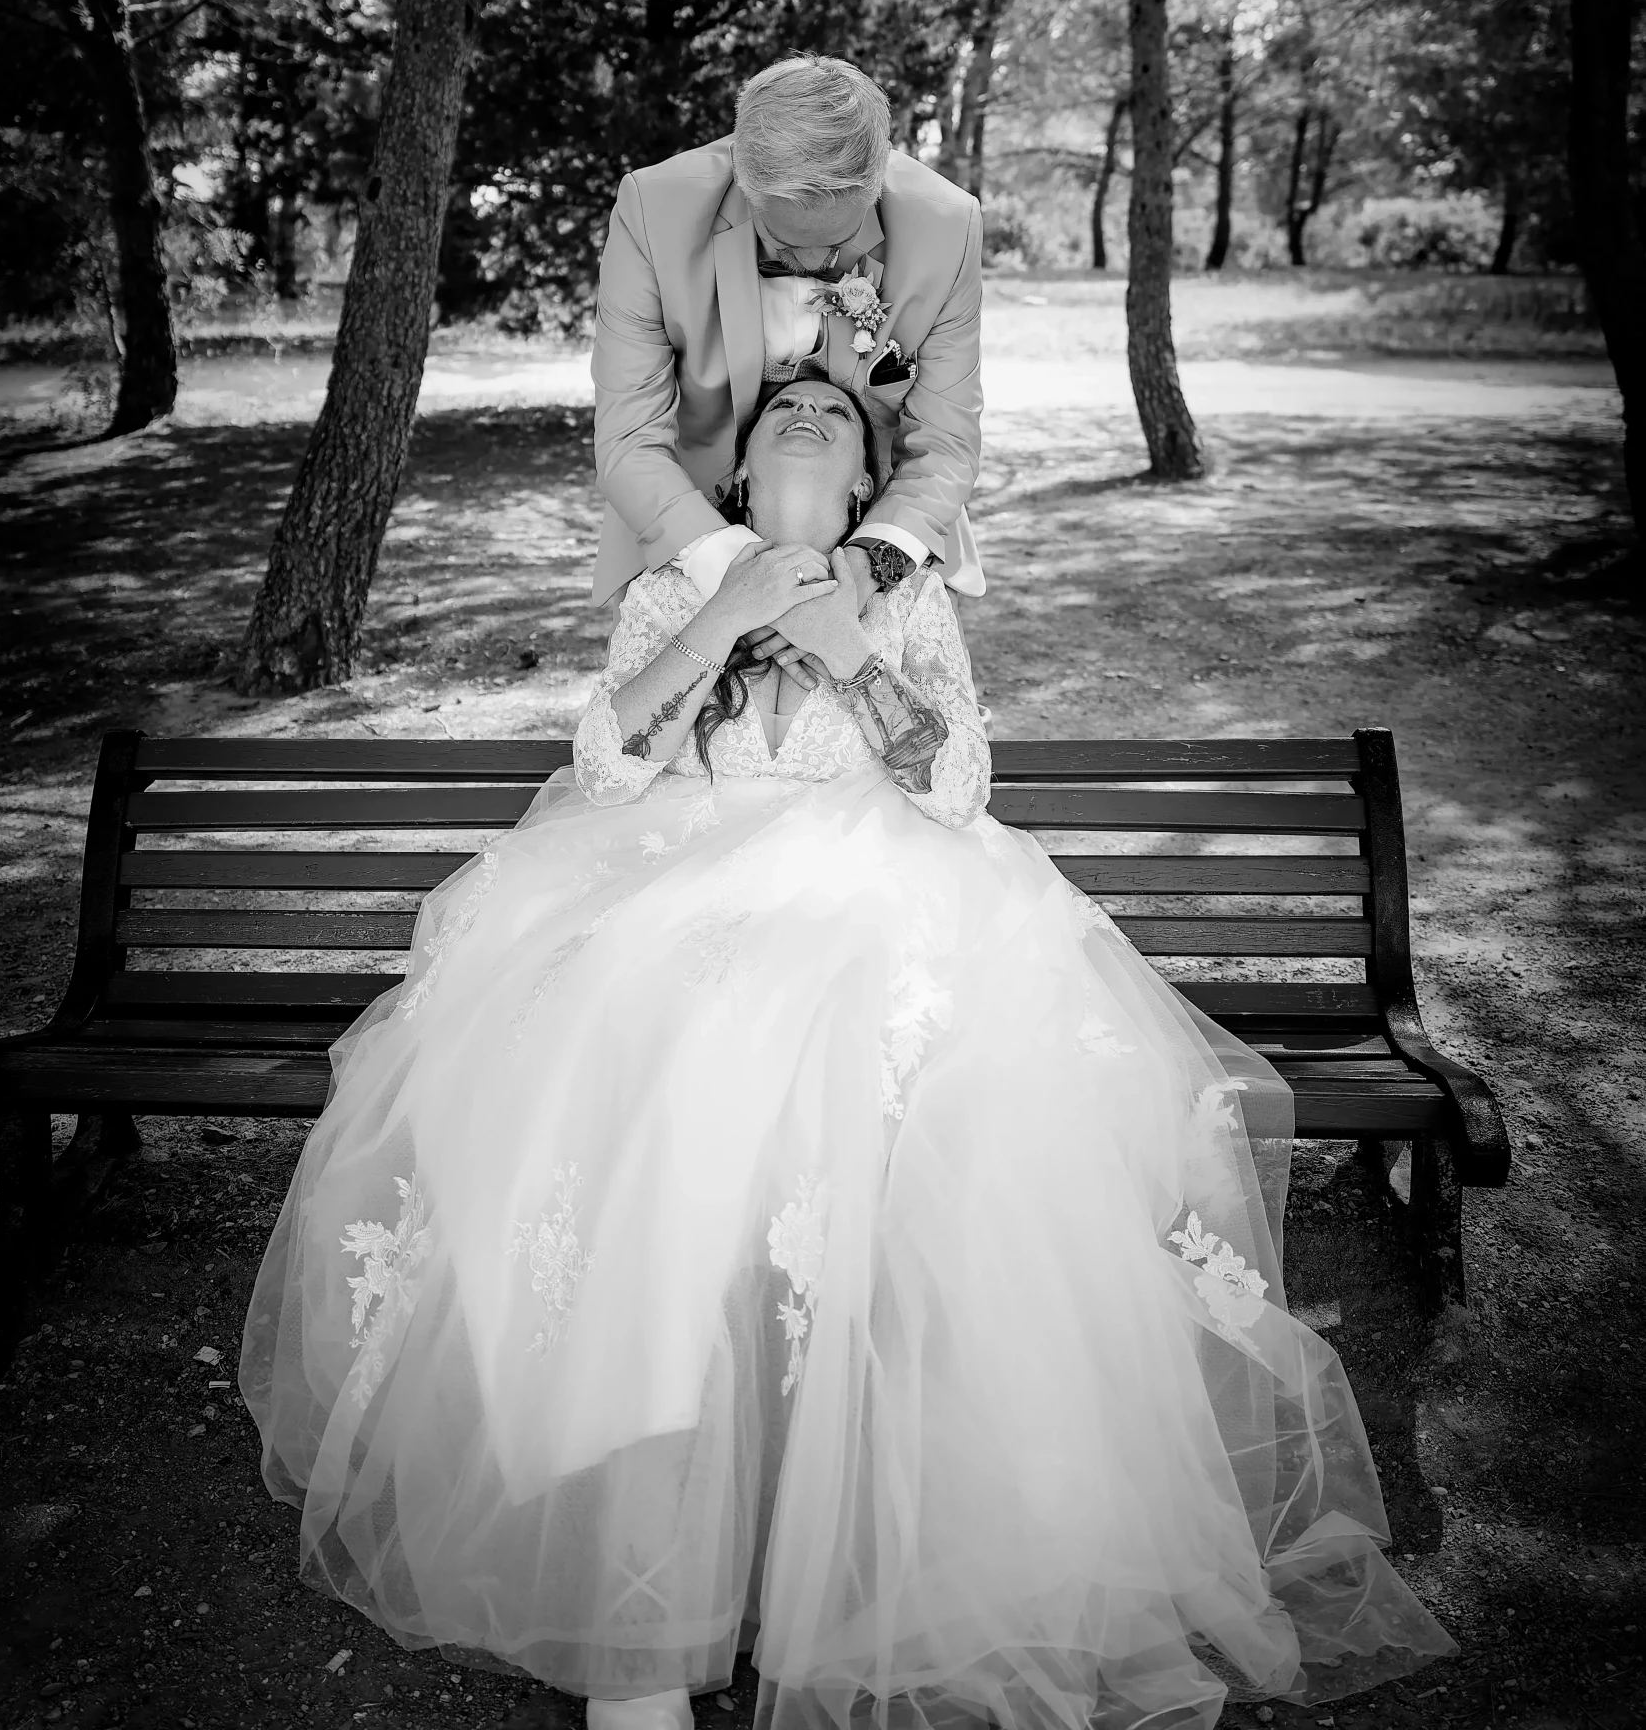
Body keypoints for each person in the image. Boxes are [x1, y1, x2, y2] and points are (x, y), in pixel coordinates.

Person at [241, 375, 1454, 1730]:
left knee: (899, 1137)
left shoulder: (908, 595)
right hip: (682, 889)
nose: (806, 413)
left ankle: (857, 1554)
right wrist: (724, 615)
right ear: (740, 474)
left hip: (872, 898)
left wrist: (841, 643)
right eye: (781, 409)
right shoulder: (674, 585)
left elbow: (956, 785)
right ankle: (640, 1614)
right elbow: (609, 766)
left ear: (870, 479)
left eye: (834, 409)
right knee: (629, 1122)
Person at [589, 55, 986, 637]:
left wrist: (866, 569)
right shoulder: (653, 209)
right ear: (743, 180)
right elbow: (629, 436)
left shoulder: (948, 225)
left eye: (837, 240)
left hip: (882, 512)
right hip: (687, 520)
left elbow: (945, 442)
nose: (812, 263)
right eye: (784, 240)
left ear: (877, 183)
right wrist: (733, 574)